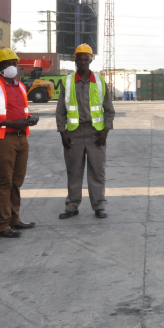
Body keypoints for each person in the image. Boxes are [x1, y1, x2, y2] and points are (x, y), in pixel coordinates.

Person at [0, 48, 39, 238]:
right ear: (0, 67)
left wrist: (29, 118)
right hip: (1, 140)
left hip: (21, 138)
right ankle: (1, 225)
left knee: (16, 181)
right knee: (4, 181)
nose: (12, 66)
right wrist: (12, 123)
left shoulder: (20, 86)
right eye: (7, 64)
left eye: (14, 63)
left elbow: (22, 110)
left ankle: (14, 219)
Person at [56, 44, 115, 219]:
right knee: (73, 171)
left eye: (86, 59)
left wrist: (106, 130)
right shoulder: (67, 82)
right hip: (73, 133)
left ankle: (99, 206)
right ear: (75, 60)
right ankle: (72, 206)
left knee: (97, 171)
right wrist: (62, 132)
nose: (82, 62)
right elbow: (60, 111)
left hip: (95, 134)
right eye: (79, 59)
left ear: (91, 60)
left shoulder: (99, 81)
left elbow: (109, 110)